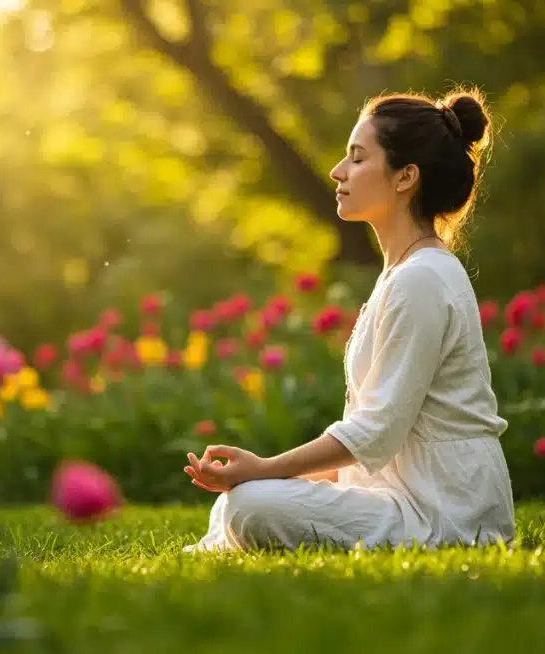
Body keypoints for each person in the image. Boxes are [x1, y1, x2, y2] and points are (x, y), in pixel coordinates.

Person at [182, 88, 516, 552]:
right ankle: (218, 543)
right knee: (241, 502)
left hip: (447, 515)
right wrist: (256, 479)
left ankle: (226, 537)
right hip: (395, 496)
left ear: (406, 178)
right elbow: (376, 443)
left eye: (357, 159)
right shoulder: (401, 275)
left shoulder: (423, 280)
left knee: (252, 504)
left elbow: (376, 432)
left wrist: (264, 468)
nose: (338, 172)